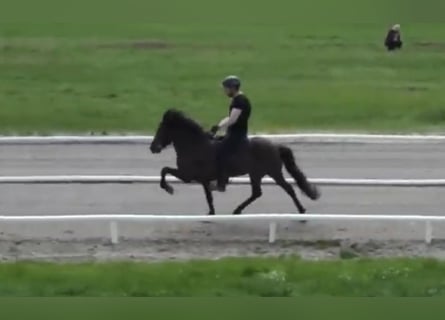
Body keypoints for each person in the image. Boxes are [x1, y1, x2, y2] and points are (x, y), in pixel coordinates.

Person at [210, 75, 252, 192]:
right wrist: (217, 126)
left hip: (236, 136)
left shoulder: (240, 101)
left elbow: (232, 119)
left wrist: (218, 127)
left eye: (226, 89)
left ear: (233, 88)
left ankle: (221, 183)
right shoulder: (238, 99)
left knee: (219, 153)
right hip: (234, 134)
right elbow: (229, 117)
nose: (225, 91)